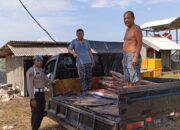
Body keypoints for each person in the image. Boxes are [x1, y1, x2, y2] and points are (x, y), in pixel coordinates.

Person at [26, 55, 58, 130]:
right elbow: (29, 85)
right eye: (38, 61)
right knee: (35, 113)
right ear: (34, 61)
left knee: (41, 112)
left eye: (41, 61)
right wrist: (32, 98)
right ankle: (34, 128)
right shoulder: (31, 71)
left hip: (42, 94)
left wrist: (53, 82)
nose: (40, 62)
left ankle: (37, 127)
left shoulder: (41, 70)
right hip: (35, 95)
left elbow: (46, 79)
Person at [68, 29, 95, 96]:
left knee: (88, 76)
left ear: (83, 34)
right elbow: (69, 49)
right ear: (76, 34)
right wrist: (73, 53)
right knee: (82, 77)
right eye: (79, 33)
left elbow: (90, 51)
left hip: (88, 61)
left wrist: (93, 61)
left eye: (81, 33)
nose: (80, 35)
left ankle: (89, 90)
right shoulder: (74, 41)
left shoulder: (87, 41)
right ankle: (84, 91)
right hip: (80, 63)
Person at [122, 11, 142, 87]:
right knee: (128, 79)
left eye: (128, 18)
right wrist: (123, 58)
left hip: (132, 55)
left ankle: (139, 97)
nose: (126, 20)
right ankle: (130, 97)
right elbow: (126, 43)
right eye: (124, 18)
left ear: (133, 18)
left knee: (135, 78)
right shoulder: (127, 30)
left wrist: (136, 57)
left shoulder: (136, 28)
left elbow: (140, 42)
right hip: (126, 56)